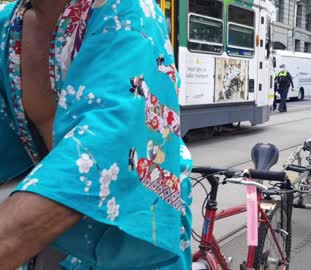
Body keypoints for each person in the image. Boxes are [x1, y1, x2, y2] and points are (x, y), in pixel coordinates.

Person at [0, 0, 192, 269]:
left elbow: (107, 143)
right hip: (45, 242)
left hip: (131, 242)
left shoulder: (128, 11)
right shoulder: (9, 25)